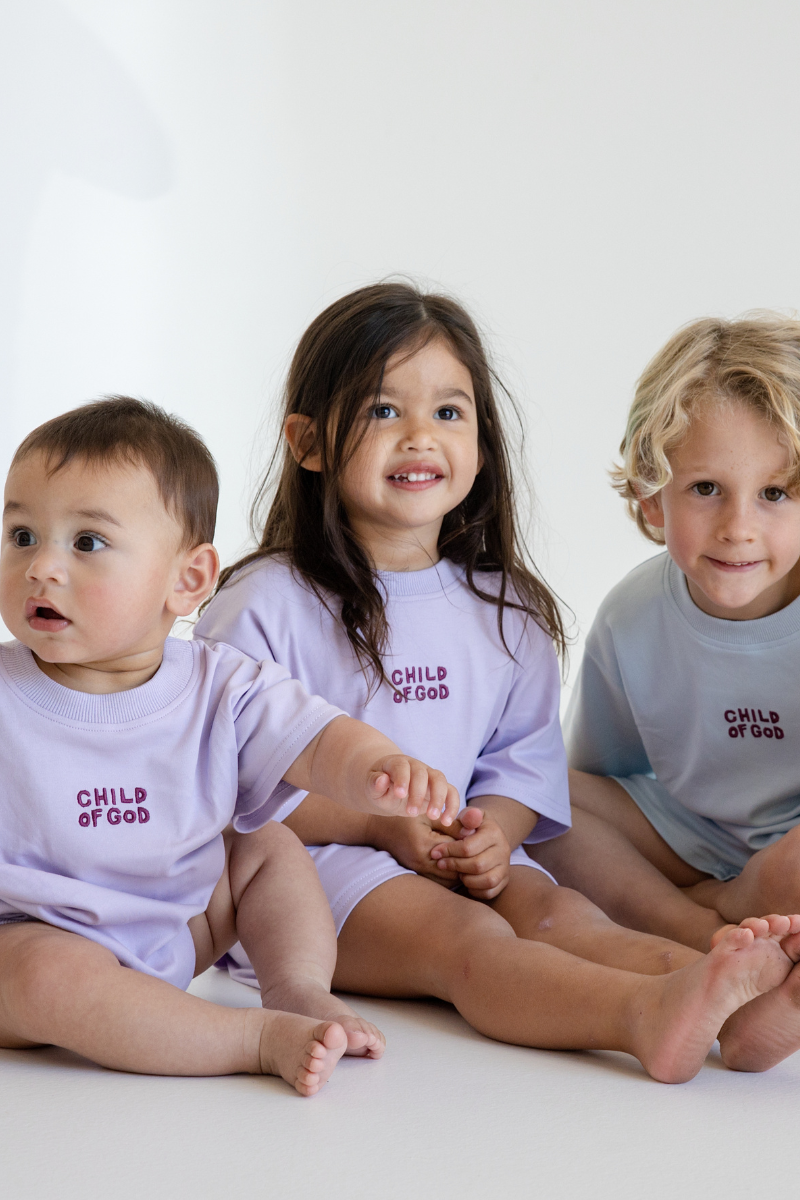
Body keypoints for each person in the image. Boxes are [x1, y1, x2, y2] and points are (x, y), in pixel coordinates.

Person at [197, 283, 800, 1082]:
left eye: (449, 412)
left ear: (481, 443)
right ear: (308, 442)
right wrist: (383, 826)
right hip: (313, 873)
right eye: (383, 410)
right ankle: (640, 1017)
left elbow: (522, 767)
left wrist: (499, 836)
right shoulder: (265, 603)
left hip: (462, 854)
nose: (420, 435)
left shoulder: (506, 611)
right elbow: (224, 785)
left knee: (562, 914)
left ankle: (732, 998)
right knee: (469, 944)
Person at [0, 396, 461, 1095]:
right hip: (29, 937)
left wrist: (378, 767)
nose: (42, 567)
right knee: (44, 976)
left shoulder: (222, 684)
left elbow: (316, 737)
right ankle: (251, 1039)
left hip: (180, 929)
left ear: (187, 580)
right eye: (22, 536)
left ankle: (297, 988)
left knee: (266, 845)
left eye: (86, 543)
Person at [531, 313, 800, 1070]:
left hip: (790, 852)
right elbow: (594, 776)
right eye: (706, 489)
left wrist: (767, 878)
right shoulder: (633, 616)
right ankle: (705, 939)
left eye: (775, 493)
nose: (739, 527)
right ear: (654, 502)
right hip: (688, 840)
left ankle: (750, 970)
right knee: (537, 796)